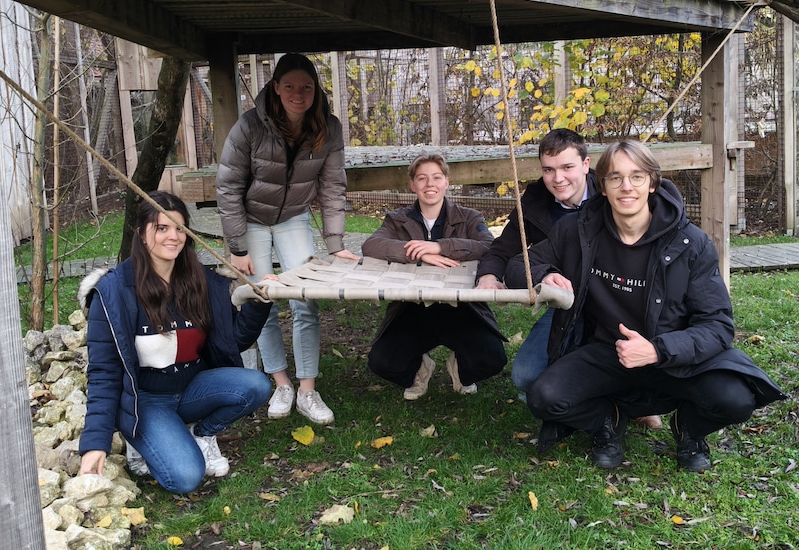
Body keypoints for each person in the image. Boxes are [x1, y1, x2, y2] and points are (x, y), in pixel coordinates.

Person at [507, 140, 784, 472]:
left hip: (673, 354)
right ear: (603, 186)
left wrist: (657, 350)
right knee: (544, 396)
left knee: (736, 399)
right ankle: (607, 422)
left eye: (637, 177)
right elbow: (519, 264)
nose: (626, 187)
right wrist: (545, 274)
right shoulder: (578, 230)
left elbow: (717, 325)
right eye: (616, 178)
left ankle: (690, 430)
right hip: (607, 351)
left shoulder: (691, 242)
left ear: (652, 183)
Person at [78, 191, 274, 494]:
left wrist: (260, 301)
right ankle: (140, 441)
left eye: (179, 228)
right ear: (142, 234)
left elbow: (235, 340)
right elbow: (104, 373)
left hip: (192, 389)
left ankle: (201, 433)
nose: (173, 236)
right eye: (162, 228)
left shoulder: (200, 281)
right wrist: (95, 444)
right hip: (147, 401)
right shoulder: (113, 292)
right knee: (185, 477)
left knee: (256, 385)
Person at [476, 129, 662, 429]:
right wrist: (490, 274)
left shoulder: (614, 192)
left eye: (567, 167)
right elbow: (506, 251)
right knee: (525, 377)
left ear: (586, 165)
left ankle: (633, 399)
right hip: (570, 305)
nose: (558, 178)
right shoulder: (537, 202)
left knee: (627, 354)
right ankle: (600, 406)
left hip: (620, 299)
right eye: (548, 169)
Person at [216, 52, 360, 425]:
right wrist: (238, 248)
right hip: (250, 220)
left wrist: (335, 243)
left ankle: (307, 390)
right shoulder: (249, 127)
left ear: (315, 90)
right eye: (291, 86)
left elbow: (331, 186)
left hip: (293, 217)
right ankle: (280, 382)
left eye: (307, 87)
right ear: (276, 88)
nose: (299, 94)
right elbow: (228, 187)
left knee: (304, 298)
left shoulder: (328, 128)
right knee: (262, 298)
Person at [361, 153, 508, 399]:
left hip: (462, 307)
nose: (430, 184)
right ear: (412, 185)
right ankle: (420, 369)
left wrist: (440, 246)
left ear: (447, 182)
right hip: (412, 308)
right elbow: (371, 245)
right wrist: (417, 252)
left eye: (436, 178)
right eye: (422, 178)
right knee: (381, 362)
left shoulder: (469, 217)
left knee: (492, 359)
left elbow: (488, 245)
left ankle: (461, 369)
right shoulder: (397, 220)